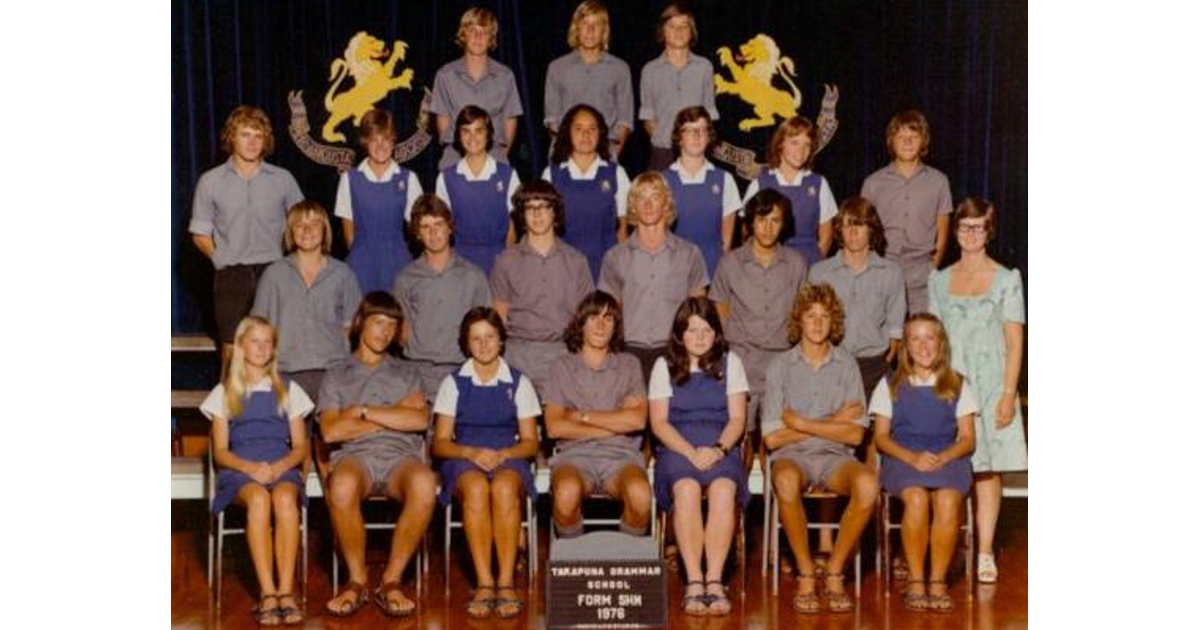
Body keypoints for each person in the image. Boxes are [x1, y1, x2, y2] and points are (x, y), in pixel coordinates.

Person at [318, 292, 438, 618]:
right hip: (355, 458)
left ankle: (391, 580)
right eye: (378, 323)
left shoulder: (408, 372)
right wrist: (393, 414)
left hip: (402, 458)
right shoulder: (337, 374)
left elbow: (419, 420)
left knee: (426, 484)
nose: (385, 332)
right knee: (341, 484)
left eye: (392, 325)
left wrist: (362, 412)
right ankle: (356, 582)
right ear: (360, 323)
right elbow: (330, 432)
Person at [761, 283, 878, 614]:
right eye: (810, 315)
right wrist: (832, 422)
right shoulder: (779, 366)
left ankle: (836, 570)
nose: (817, 323)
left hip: (835, 458)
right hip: (791, 459)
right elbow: (772, 439)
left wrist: (800, 423)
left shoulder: (847, 364)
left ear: (834, 321)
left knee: (868, 484)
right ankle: (807, 573)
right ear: (799, 319)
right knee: (784, 481)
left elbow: (855, 437)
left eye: (825, 316)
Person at [928, 198, 1026, 586]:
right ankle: (949, 548)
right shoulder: (938, 280)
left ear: (989, 231)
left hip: (990, 385)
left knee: (986, 471)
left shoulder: (1007, 279)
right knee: (951, 468)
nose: (971, 234)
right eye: (964, 227)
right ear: (955, 232)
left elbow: (1015, 343)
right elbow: (929, 340)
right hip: (949, 386)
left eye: (978, 227)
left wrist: (1007, 395)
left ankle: (984, 551)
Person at [201, 316, 313, 626]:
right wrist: (251, 468)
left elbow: (301, 446)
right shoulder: (224, 392)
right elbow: (221, 453)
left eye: (268, 342)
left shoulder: (288, 389)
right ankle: (267, 592)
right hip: (241, 471)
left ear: (275, 349)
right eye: (255, 341)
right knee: (260, 501)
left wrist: (277, 467)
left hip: (281, 467)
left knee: (285, 500)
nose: (262, 348)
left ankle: (285, 591)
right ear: (240, 346)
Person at [432, 308, 541, 619]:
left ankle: (506, 582)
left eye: (490, 337)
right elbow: (439, 443)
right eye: (475, 338)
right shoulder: (453, 383)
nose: (483, 344)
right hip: (464, 457)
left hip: (509, 454)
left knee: (505, 487)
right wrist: (470, 453)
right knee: (477, 489)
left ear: (501, 340)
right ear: (466, 344)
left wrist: (505, 454)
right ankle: (483, 582)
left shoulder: (519, 382)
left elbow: (531, 442)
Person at [648, 297, 749, 616]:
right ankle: (694, 580)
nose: (700, 336)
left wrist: (718, 449)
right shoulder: (663, 366)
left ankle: (715, 580)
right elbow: (659, 423)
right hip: (678, 446)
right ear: (680, 334)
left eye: (707, 329)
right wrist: (691, 452)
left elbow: (737, 419)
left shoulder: (731, 363)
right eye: (692, 330)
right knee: (687, 488)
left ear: (716, 333)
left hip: (720, 444)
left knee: (723, 489)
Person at [870, 313, 977, 613]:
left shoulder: (957, 383)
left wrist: (943, 456)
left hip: (947, 455)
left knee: (946, 500)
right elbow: (881, 437)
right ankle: (916, 579)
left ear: (941, 344)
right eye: (915, 338)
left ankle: (938, 581)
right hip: (903, 456)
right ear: (905, 346)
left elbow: (968, 439)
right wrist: (911, 457)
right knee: (916, 498)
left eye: (930, 337)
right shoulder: (890, 383)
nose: (923, 345)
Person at [189, 105, 304, 366]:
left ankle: (273, 406)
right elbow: (199, 233)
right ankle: (231, 406)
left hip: (274, 271)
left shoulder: (283, 179)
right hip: (231, 275)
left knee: (275, 346)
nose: (252, 142)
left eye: (258, 135)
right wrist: (220, 260)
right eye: (245, 134)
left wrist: (292, 265)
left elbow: (303, 224)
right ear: (232, 137)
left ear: (266, 141)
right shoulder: (211, 181)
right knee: (231, 351)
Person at [543, 291, 652, 540]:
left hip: (622, 456)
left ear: (616, 327)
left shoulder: (629, 364)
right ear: (580, 323)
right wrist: (616, 419)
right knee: (565, 493)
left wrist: (581, 416)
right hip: (574, 455)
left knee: (640, 495)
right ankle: (575, 565)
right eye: (593, 317)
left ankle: (625, 566)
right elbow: (554, 428)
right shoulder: (561, 366)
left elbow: (637, 421)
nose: (601, 325)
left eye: (608, 318)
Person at [810, 196, 907, 465]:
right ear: (838, 230)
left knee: (877, 437)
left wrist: (879, 363)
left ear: (871, 230)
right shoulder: (820, 273)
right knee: (835, 437)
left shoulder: (890, 272)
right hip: (832, 366)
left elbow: (895, 336)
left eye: (861, 225)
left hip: (873, 366)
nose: (853, 232)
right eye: (847, 225)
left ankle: (874, 500)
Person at [709, 189, 807, 433]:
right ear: (751, 221)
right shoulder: (730, 263)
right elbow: (720, 308)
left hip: (782, 363)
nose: (767, 227)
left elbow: (801, 311)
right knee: (739, 435)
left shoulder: (796, 264)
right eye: (762, 220)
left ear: (784, 225)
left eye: (775, 221)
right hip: (742, 361)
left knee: (777, 438)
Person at [598, 171, 708, 380]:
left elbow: (698, 312)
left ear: (666, 204)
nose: (648, 205)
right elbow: (608, 313)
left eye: (655, 197)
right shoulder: (615, 256)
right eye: (641, 197)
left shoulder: (689, 253)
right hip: (628, 353)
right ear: (632, 205)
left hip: (675, 352)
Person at [252, 200, 362, 405]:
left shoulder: (343, 274)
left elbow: (353, 330)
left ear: (325, 229)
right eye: (299, 224)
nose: (307, 229)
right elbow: (258, 329)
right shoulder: (274, 274)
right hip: (286, 374)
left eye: (314, 223)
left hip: (332, 373)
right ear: (290, 231)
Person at [490, 181, 595, 395]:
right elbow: (499, 318)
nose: (537, 214)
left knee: (560, 424)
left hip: (562, 353)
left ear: (555, 212)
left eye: (544, 206)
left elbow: (587, 320)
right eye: (530, 207)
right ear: (521, 214)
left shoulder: (576, 261)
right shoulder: (505, 261)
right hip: (518, 353)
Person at [392, 194, 493, 403]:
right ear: (417, 233)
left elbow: (485, 331)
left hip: (460, 369)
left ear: (450, 227)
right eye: (425, 227)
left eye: (439, 224)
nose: (433, 232)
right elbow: (401, 333)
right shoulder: (405, 279)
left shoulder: (473, 275)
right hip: (417, 371)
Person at [860, 109, 953, 314]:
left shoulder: (939, 181)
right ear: (891, 142)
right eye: (901, 137)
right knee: (885, 339)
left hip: (923, 274)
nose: (907, 142)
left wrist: (932, 270)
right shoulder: (873, 183)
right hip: (883, 269)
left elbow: (943, 234)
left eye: (914, 136)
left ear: (924, 141)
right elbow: (863, 232)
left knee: (921, 339)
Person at [334, 108, 424, 293]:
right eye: (374, 139)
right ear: (364, 142)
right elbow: (349, 235)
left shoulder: (408, 179)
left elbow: (418, 230)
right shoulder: (349, 179)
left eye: (386, 138)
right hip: (361, 265)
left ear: (393, 141)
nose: (380, 145)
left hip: (398, 263)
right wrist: (362, 260)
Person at [542, 104, 632, 280]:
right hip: (563, 269)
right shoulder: (551, 174)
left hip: (606, 267)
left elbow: (623, 229)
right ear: (568, 133)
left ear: (601, 134)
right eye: (578, 129)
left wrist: (623, 272)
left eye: (592, 129)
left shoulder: (616, 174)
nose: (586, 135)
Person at [431, 6, 523, 169]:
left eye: (484, 32)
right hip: (455, 157)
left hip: (494, 155)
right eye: (472, 30)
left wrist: (500, 154)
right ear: (463, 34)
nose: (478, 37)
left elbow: (510, 119)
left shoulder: (505, 76)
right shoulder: (445, 75)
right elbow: (443, 123)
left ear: (491, 38)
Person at [434, 106, 522, 276]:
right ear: (458, 136)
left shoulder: (508, 175)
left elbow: (512, 229)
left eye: (478, 131)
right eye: (466, 131)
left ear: (488, 134)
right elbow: (443, 229)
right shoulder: (446, 178)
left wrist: (508, 266)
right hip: (460, 264)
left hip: (499, 261)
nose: (472, 137)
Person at [544, 0, 635, 159]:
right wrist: (564, 155)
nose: (590, 30)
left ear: (604, 31)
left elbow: (624, 121)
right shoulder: (557, 67)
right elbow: (552, 119)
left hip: (605, 155)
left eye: (596, 25)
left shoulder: (620, 68)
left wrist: (611, 157)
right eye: (585, 23)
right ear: (576, 28)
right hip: (565, 156)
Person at [742, 115, 836, 268]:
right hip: (769, 265)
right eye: (794, 143)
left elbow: (826, 235)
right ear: (780, 144)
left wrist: (814, 268)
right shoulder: (760, 183)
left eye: (807, 145)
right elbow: (746, 232)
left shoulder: (819, 183)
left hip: (809, 264)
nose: (801, 150)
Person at [639, 2, 719, 172]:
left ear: (692, 31)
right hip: (663, 153)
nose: (679, 31)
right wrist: (665, 140)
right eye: (672, 26)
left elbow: (710, 112)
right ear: (662, 31)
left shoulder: (704, 67)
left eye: (684, 26)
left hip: (696, 153)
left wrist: (694, 143)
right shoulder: (650, 70)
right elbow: (647, 115)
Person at [663, 106, 741, 278]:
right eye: (690, 130)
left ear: (709, 136)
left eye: (702, 130)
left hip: (713, 269)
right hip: (672, 270)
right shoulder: (663, 181)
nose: (697, 136)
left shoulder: (724, 179)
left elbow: (726, 240)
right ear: (679, 137)